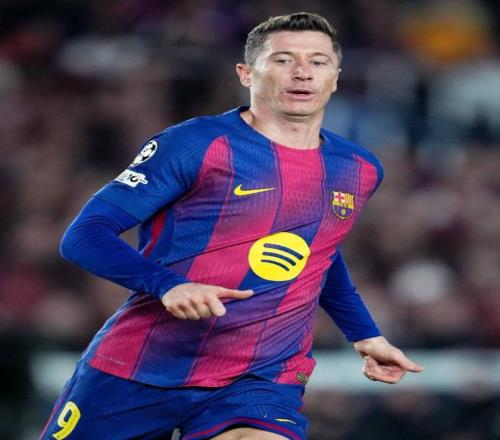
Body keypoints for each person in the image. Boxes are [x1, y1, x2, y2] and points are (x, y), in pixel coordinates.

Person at [40, 12, 423, 440]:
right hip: (140, 369)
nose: (302, 72)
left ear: (335, 78)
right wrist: (168, 285)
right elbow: (84, 235)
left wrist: (365, 333)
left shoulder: (358, 168)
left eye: (318, 62)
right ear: (246, 74)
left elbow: (319, 254)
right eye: (282, 60)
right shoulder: (195, 144)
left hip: (259, 378)